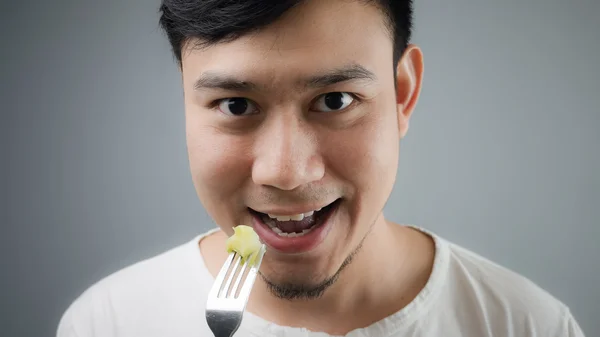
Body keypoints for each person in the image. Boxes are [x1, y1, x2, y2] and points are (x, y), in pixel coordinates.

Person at [57, 0, 586, 336]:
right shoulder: (108, 323)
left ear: (402, 94)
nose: (287, 173)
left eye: (335, 100)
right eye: (237, 105)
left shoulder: (527, 325)